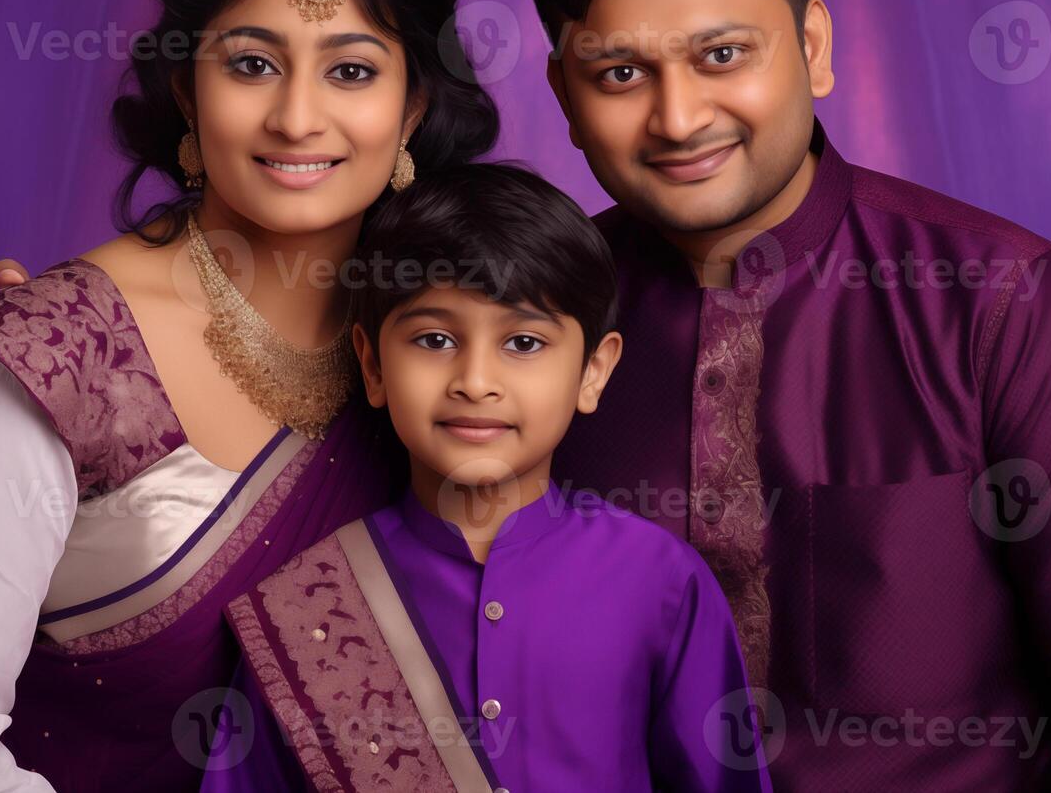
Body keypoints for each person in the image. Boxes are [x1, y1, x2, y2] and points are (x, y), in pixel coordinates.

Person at [0, 0, 1051, 792]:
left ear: (811, 47)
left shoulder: (1000, 307)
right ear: (566, 98)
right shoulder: (513, 314)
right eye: (619, 74)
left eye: (721, 56)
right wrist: (26, 372)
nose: (679, 117)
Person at [0, 0, 496, 792]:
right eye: (251, 64)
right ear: (185, 85)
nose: (296, 117)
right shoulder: (55, 356)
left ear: (412, 105)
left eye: (353, 70)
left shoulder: (450, 340)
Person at [200, 162, 773, 792]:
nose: (475, 381)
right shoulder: (308, 607)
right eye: (435, 339)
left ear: (594, 371)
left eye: (524, 343)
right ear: (372, 364)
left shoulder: (662, 582)